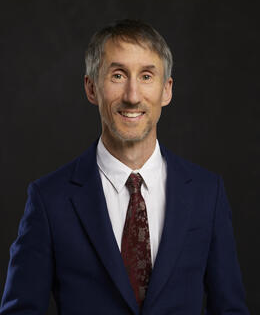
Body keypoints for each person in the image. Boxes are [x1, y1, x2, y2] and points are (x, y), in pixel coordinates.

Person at [0, 19, 250, 315]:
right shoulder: (48, 199)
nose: (132, 96)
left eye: (146, 76)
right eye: (117, 75)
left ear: (166, 90)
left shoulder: (208, 194)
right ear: (91, 88)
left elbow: (230, 309)